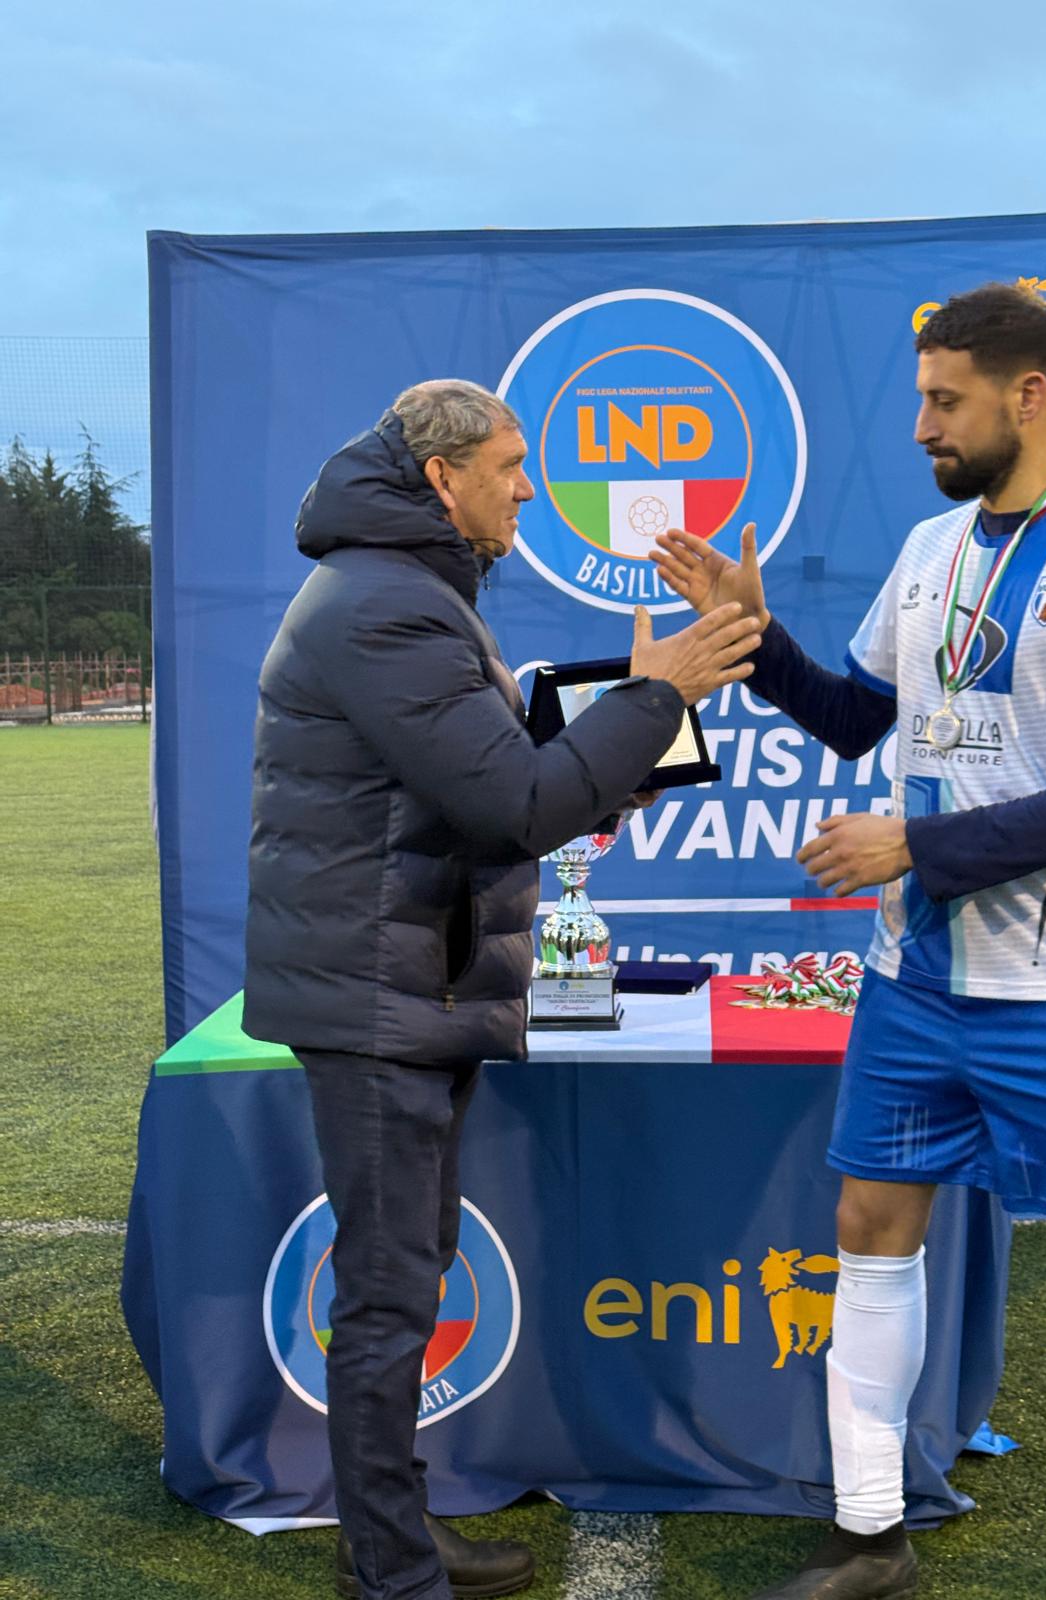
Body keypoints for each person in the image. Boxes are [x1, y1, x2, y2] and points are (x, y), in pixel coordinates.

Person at [652, 284, 1046, 1600]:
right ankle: (869, 1538)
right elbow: (854, 719)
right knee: (869, 1223)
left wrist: (914, 845)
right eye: (920, 400)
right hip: (919, 979)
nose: (921, 427)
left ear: (1030, 396)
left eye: (945, 401)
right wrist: (755, 635)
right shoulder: (929, 549)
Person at [241, 379, 762, 1600]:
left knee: (406, 1278)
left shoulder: (401, 592)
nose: (531, 488)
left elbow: (505, 780)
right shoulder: (386, 605)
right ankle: (391, 1568)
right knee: (388, 1296)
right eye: (514, 464)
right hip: (384, 999)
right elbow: (518, 803)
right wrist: (658, 696)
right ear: (444, 477)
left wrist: (639, 737)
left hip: (406, 986)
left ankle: (396, 1538)